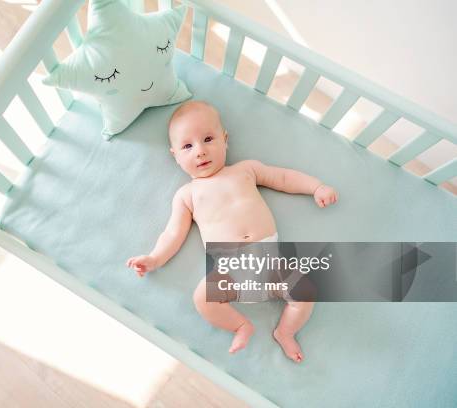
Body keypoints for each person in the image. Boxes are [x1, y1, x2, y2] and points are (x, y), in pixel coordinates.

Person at [126, 100, 338, 362]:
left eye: (208, 139)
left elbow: (283, 178)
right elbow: (172, 233)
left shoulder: (245, 170)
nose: (200, 151)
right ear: (175, 156)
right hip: (230, 269)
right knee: (202, 298)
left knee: (306, 291)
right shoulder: (187, 195)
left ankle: (285, 332)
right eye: (188, 146)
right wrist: (155, 258)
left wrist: (316, 187)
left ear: (225, 139)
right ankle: (240, 325)